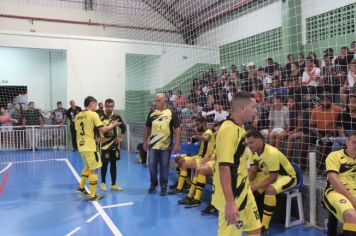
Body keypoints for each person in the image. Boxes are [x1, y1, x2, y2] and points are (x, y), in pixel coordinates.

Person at [212, 91, 261, 236]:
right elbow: (224, 167)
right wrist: (230, 202)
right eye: (253, 107)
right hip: (233, 196)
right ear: (242, 108)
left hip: (244, 191)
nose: (256, 110)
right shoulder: (228, 130)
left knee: (255, 229)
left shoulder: (240, 128)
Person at [247, 129, 297, 233]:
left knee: (269, 189)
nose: (250, 146)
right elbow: (253, 172)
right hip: (269, 174)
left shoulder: (272, 152)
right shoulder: (253, 153)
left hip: (287, 176)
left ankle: (264, 227)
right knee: (246, 184)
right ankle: (251, 218)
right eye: (248, 144)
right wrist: (247, 182)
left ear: (260, 140)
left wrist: (255, 187)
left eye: (252, 142)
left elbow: (273, 177)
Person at [75, 96, 121, 201]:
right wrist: (113, 125)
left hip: (81, 146)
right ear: (91, 104)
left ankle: (81, 187)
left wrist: (97, 139)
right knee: (94, 170)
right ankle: (92, 195)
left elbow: (82, 131)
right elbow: (103, 129)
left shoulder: (78, 115)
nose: (96, 107)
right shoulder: (93, 114)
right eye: (95, 104)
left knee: (88, 166)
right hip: (90, 146)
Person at [143, 93, 181, 196]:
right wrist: (144, 141)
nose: (156, 102)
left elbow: (177, 128)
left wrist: (177, 143)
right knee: (151, 166)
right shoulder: (152, 112)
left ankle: (164, 186)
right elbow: (147, 127)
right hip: (153, 145)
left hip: (166, 146)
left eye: (158, 101)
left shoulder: (171, 112)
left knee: (164, 166)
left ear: (164, 101)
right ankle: (153, 183)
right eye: (156, 100)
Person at [168, 117, 214, 200]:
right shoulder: (203, 132)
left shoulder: (208, 132)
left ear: (203, 123)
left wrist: (197, 137)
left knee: (184, 163)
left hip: (204, 158)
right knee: (178, 158)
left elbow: (206, 138)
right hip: (198, 156)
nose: (197, 127)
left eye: (198, 124)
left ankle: (180, 188)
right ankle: (186, 182)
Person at [323, 131, 356, 236]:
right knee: (351, 215)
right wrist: (352, 200)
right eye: (354, 142)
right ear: (347, 142)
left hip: (353, 191)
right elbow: (334, 181)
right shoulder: (334, 156)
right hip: (334, 191)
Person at [98, 98, 126, 192]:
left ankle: (113, 184)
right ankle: (103, 183)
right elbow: (95, 128)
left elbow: (123, 127)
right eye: (108, 106)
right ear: (105, 106)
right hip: (105, 145)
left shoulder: (116, 116)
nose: (110, 108)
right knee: (104, 164)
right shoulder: (100, 116)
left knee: (113, 164)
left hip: (114, 145)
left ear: (113, 106)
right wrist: (98, 138)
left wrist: (121, 137)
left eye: (111, 106)